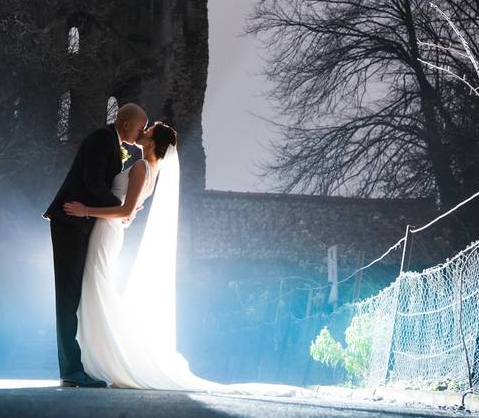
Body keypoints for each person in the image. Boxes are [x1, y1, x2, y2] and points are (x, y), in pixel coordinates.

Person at [63, 123, 315, 397]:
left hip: (107, 230)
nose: (142, 131)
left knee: (96, 289)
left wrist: (86, 209)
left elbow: (125, 208)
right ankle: (100, 360)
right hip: (111, 229)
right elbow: (130, 209)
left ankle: (108, 360)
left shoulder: (141, 168)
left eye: (147, 131)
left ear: (152, 141)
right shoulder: (152, 170)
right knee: (95, 288)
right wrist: (125, 212)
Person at [43, 103, 147, 388]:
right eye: (140, 126)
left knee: (73, 294)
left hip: (80, 223)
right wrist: (122, 207)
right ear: (125, 123)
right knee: (67, 295)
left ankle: (74, 367)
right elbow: (91, 182)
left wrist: (121, 209)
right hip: (71, 221)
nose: (141, 132)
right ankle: (71, 369)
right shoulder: (103, 138)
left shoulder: (112, 141)